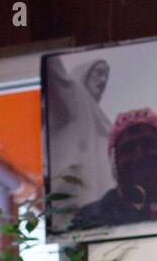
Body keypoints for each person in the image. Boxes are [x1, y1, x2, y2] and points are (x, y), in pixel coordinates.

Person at [67, 108, 157, 232]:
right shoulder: (88, 219)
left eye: (147, 144)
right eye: (128, 148)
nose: (139, 156)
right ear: (114, 162)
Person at [45, 56, 112, 212]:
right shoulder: (74, 92)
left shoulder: (101, 118)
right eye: (99, 72)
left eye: (106, 77)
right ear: (85, 73)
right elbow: (53, 71)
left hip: (102, 205)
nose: (103, 81)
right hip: (74, 201)